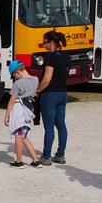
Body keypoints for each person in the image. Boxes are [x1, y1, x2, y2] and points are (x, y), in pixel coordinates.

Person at [35, 30, 70, 165]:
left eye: (45, 43)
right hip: (62, 93)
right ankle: (60, 154)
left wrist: (37, 91)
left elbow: (47, 79)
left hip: (49, 95)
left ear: (51, 43)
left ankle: (46, 156)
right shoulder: (65, 55)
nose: (43, 46)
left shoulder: (50, 57)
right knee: (61, 124)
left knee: (49, 127)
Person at [4, 61, 41, 168]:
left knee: (18, 136)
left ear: (17, 72)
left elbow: (11, 101)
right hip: (29, 109)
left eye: (14, 74)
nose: (14, 77)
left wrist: (7, 115)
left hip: (19, 110)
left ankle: (19, 161)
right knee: (24, 136)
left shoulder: (18, 84)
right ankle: (35, 160)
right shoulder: (35, 79)